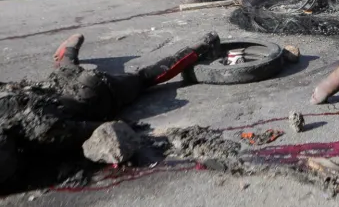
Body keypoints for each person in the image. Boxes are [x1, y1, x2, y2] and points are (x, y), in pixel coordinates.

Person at [0, 32, 221, 192]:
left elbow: (101, 130)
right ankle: (68, 49)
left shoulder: (46, 132)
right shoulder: (13, 118)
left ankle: (199, 47)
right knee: (67, 68)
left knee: (144, 78)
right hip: (55, 89)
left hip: (94, 93)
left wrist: (125, 130)